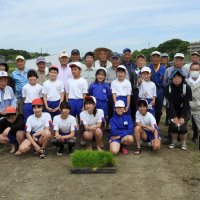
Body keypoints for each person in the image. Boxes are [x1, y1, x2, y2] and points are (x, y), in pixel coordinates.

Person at [165, 69, 192, 150]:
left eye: (179, 77)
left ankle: (183, 143)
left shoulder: (187, 88)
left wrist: (182, 117)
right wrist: (174, 116)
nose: (176, 79)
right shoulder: (168, 88)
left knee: (183, 127)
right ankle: (173, 141)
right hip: (172, 110)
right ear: (171, 78)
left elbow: (187, 103)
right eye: (174, 77)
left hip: (184, 110)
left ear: (182, 78)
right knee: (174, 126)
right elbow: (169, 104)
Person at [148, 51, 166, 124]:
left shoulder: (164, 69)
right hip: (149, 91)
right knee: (149, 108)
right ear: (151, 58)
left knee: (158, 110)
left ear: (160, 58)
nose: (155, 59)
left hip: (160, 91)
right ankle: (149, 125)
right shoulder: (148, 68)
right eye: (154, 57)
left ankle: (156, 125)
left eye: (157, 57)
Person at [186, 62, 200, 143]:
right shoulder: (185, 81)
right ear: (190, 70)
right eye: (193, 69)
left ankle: (197, 135)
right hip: (188, 106)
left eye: (197, 69)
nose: (195, 71)